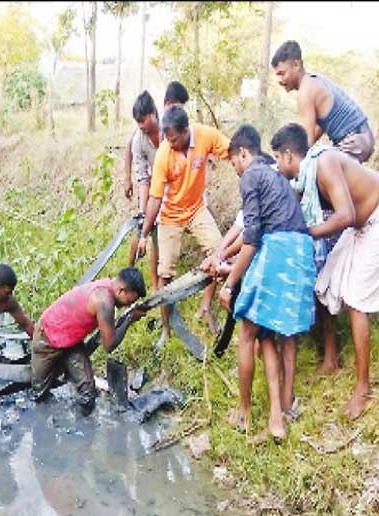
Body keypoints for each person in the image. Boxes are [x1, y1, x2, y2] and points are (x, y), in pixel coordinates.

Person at [270, 123, 379, 420]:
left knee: (356, 301)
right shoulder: (306, 176)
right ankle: (331, 359)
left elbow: (346, 215)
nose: (279, 166)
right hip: (361, 224)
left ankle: (363, 388)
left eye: (278, 159)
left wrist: (308, 233)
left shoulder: (325, 164)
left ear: (289, 155)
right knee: (325, 281)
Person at [218, 125, 316, 444]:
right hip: (302, 253)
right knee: (269, 333)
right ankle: (279, 413)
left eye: (234, 163)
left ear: (243, 154)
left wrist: (230, 283)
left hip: (281, 249)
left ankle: (244, 413)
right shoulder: (276, 176)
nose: (236, 171)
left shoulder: (251, 176)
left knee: (247, 332)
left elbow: (252, 238)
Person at [136, 106, 228, 346]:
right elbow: (155, 198)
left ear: (186, 131)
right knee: (164, 273)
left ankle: (205, 307)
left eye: (174, 139)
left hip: (197, 209)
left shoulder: (206, 135)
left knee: (219, 252)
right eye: (166, 139)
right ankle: (165, 330)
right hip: (170, 216)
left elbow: (233, 151)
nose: (170, 143)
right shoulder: (164, 154)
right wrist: (145, 234)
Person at [30, 267, 146, 416]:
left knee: (88, 392)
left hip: (71, 341)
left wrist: (127, 318)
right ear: (121, 291)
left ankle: (80, 430)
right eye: (129, 301)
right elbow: (109, 345)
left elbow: (110, 328)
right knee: (38, 394)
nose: (128, 305)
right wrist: (129, 319)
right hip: (47, 337)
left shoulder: (107, 286)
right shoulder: (104, 301)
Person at [123, 82, 190, 282]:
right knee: (145, 227)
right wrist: (144, 211)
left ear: (154, 113)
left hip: (175, 182)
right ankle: (129, 272)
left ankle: (156, 283)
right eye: (138, 122)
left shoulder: (169, 125)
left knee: (160, 236)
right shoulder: (138, 139)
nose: (141, 125)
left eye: (144, 120)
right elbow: (143, 179)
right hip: (154, 185)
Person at [271, 40, 375, 164]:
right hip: (363, 136)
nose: (280, 80)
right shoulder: (314, 80)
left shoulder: (305, 91)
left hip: (353, 142)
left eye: (282, 73)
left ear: (296, 65)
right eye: (277, 75)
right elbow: (319, 128)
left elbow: (307, 142)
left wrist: (291, 165)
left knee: (321, 171)